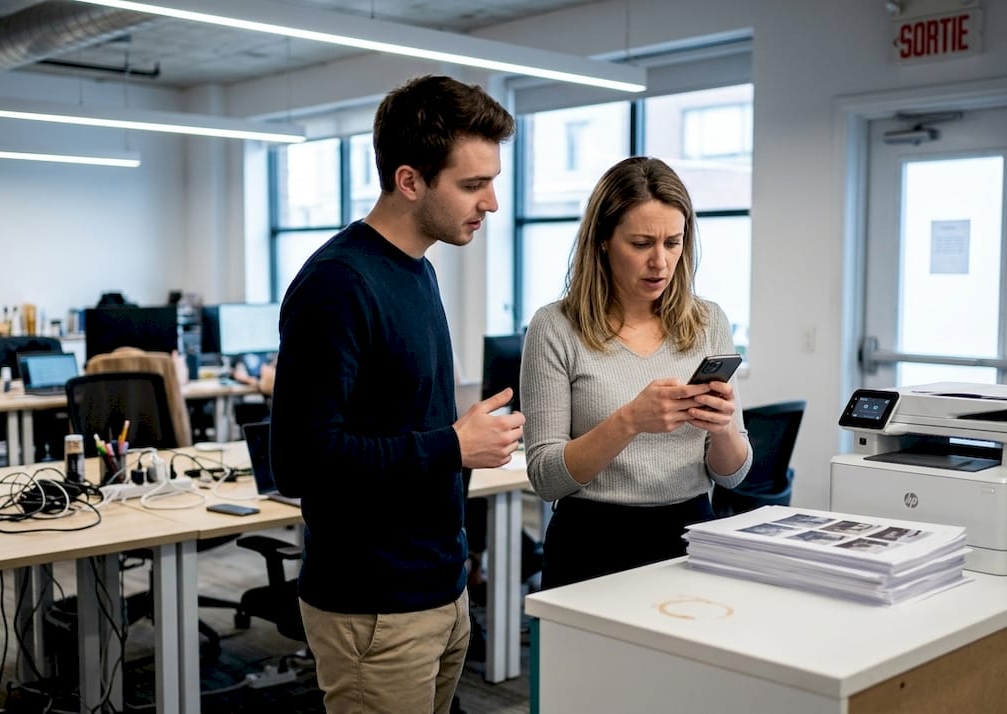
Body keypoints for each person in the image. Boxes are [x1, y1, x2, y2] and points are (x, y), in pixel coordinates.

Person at [269, 75, 524, 714]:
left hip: (438, 587)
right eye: (472, 185)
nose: (491, 202)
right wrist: (450, 445)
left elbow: (397, 425)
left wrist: (454, 437)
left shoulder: (420, 270)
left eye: (491, 181)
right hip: (374, 605)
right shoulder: (338, 283)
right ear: (409, 181)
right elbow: (300, 460)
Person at [521, 156, 753, 590]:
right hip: (590, 544)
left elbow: (732, 473)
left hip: (690, 539)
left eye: (673, 243)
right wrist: (630, 421)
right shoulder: (555, 327)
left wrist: (721, 429)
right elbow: (546, 478)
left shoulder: (709, 321)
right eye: (642, 243)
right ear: (604, 240)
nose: (660, 263)